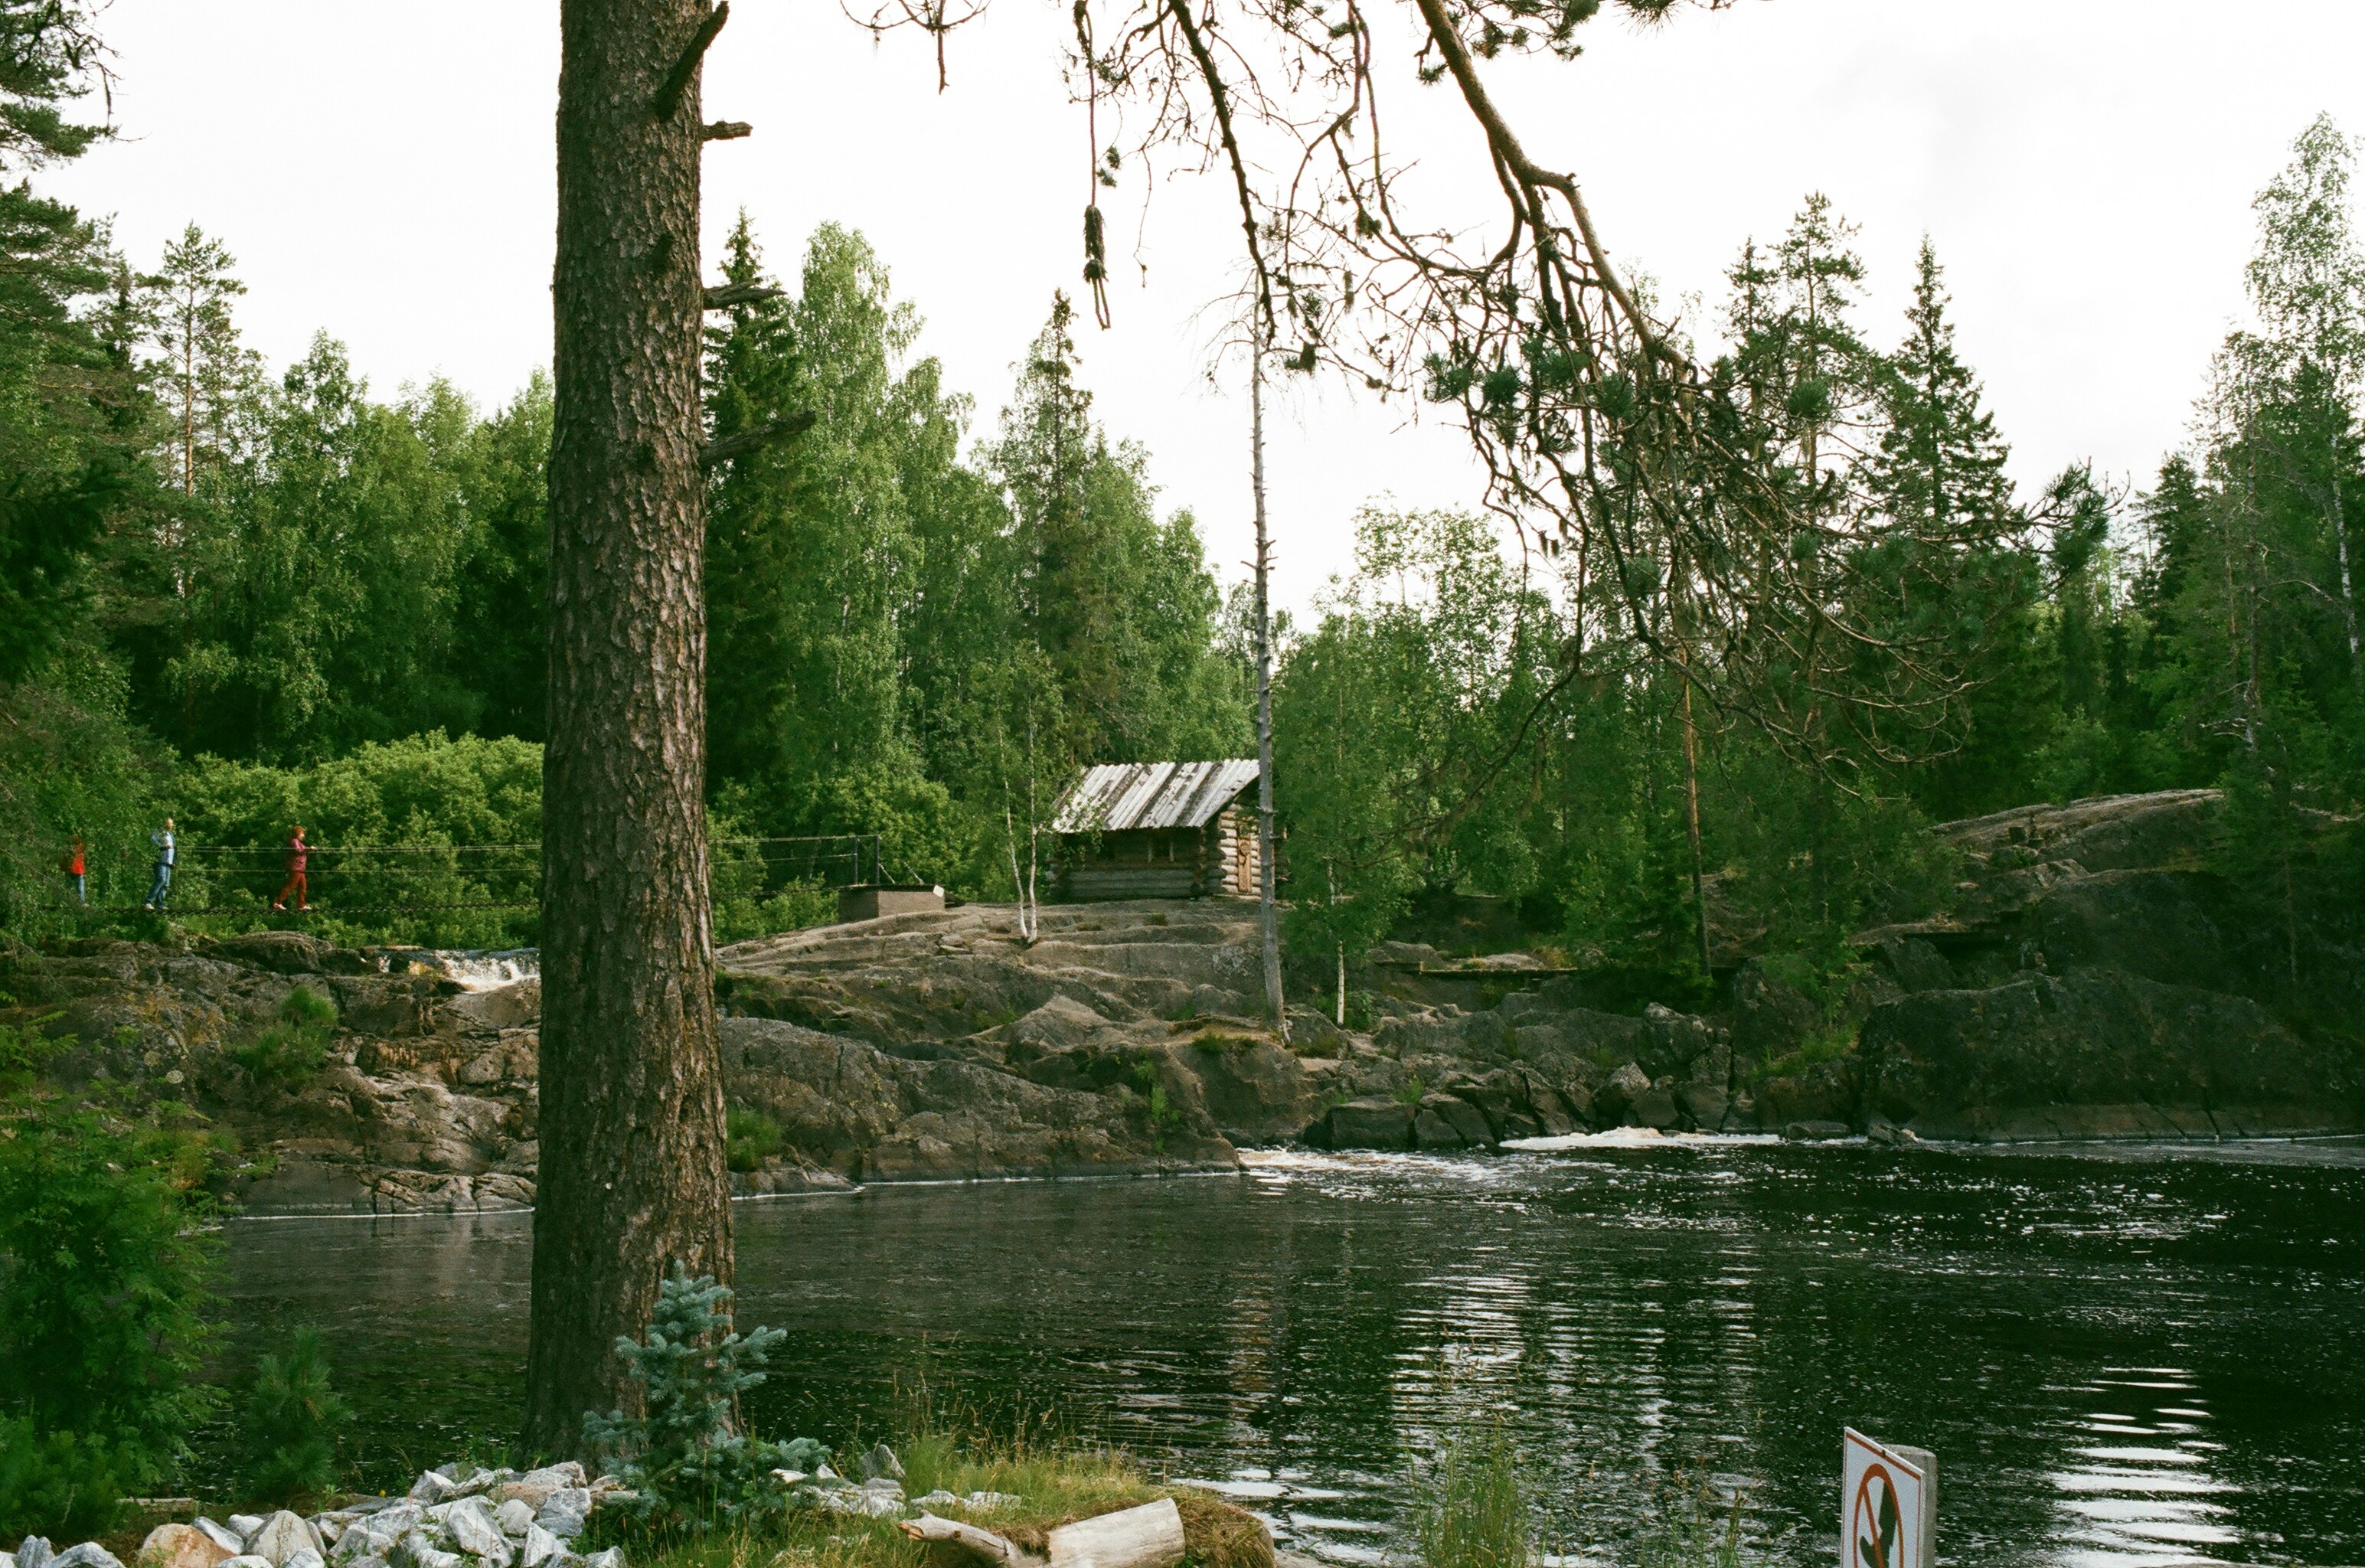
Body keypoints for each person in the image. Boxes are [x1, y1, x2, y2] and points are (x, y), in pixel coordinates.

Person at [273, 824, 310, 913]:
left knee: (303, 886)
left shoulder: (299, 843)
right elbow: (299, 851)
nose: (303, 835)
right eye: (302, 834)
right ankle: (278, 902)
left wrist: (308, 849)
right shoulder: (294, 841)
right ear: (297, 833)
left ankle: (301, 905)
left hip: (300, 869)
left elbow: (303, 850)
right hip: (296, 868)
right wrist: (309, 849)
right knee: (291, 886)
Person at [145, 817, 175, 911]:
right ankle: (148, 902)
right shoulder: (157, 833)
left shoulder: (171, 835)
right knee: (160, 879)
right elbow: (153, 843)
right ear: (165, 823)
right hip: (160, 860)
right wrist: (163, 846)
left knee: (166, 884)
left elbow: (175, 848)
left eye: (172, 823)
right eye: (170, 823)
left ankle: (159, 904)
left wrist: (174, 861)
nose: (172, 825)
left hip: (168, 862)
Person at [63, 836, 86, 905]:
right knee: (69, 887)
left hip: (78, 870)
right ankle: (66, 902)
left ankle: (81, 903)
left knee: (79, 888)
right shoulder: (71, 847)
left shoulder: (81, 847)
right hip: (72, 870)